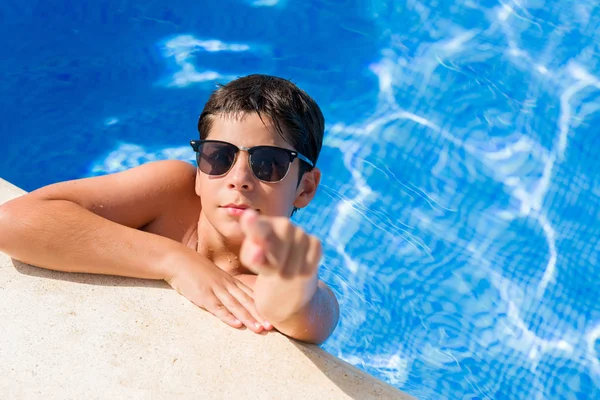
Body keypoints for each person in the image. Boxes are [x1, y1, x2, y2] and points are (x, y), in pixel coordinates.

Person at [0, 74, 340, 344]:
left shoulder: (274, 275)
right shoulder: (172, 190)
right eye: (219, 156)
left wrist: (291, 287)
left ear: (305, 187)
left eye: (268, 163)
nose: (238, 179)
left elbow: (310, 316)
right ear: (199, 168)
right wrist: (175, 260)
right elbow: (12, 222)